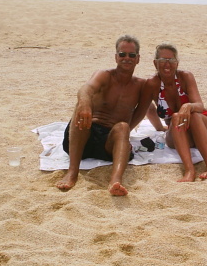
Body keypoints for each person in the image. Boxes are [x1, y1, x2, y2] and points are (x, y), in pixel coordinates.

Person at [56, 35, 145, 196]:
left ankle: (115, 180)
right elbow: (86, 89)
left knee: (123, 126)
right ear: (116, 57)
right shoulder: (104, 75)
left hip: (108, 143)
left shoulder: (140, 85)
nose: (127, 58)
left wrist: (124, 136)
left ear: (138, 59)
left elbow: (142, 111)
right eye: (122, 54)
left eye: (131, 55)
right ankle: (72, 172)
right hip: (85, 134)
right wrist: (84, 102)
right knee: (81, 107)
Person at [130, 43, 207, 182]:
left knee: (194, 114)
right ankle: (189, 170)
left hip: (204, 127)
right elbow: (144, 110)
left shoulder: (186, 76)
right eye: (162, 60)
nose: (167, 64)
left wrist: (188, 107)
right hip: (179, 134)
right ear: (155, 63)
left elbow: (199, 106)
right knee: (176, 118)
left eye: (171, 60)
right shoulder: (152, 84)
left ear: (177, 63)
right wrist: (127, 132)